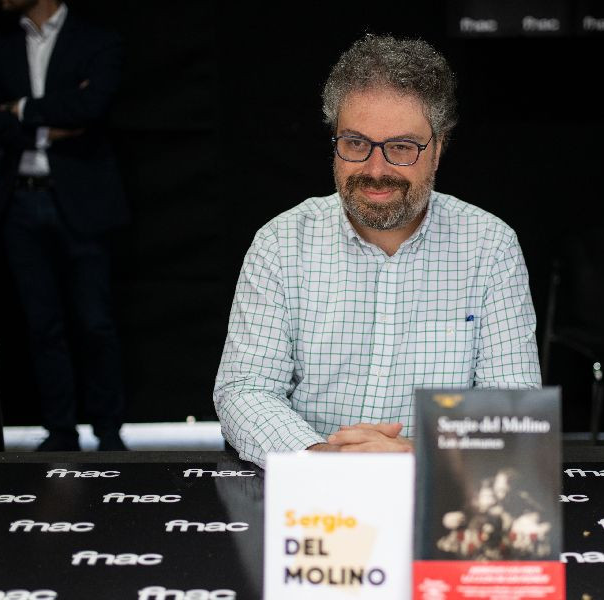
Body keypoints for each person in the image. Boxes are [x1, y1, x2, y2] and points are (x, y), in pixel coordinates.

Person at [214, 34, 540, 467]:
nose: (375, 169)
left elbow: (512, 410)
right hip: (312, 490)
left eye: (401, 147)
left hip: (439, 490)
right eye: (356, 143)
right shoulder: (281, 243)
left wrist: (415, 457)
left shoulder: (490, 246)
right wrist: (324, 459)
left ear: (438, 148)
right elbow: (245, 390)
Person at [0, 0, 129, 451]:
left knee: (95, 322)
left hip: (81, 201)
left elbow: (90, 106)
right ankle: (60, 430)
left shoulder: (97, 40)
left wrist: (17, 108)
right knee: (42, 324)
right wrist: (47, 124)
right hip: (18, 199)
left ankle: (109, 431)